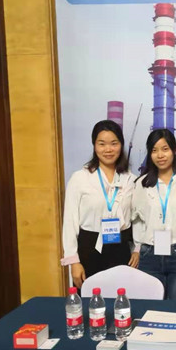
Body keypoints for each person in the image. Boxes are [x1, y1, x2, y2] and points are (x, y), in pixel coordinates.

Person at [61, 120, 137, 288]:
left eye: (114, 143)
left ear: (121, 145)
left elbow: (137, 218)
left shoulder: (130, 179)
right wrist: (73, 261)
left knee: (121, 299)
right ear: (94, 146)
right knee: (90, 299)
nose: (108, 149)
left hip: (121, 248)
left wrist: (137, 249)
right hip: (89, 248)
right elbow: (70, 222)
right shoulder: (80, 178)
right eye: (102, 144)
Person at [131, 129, 176, 300]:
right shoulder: (142, 183)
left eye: (165, 149)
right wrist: (137, 249)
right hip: (149, 255)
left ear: (174, 150)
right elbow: (138, 221)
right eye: (154, 150)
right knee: (151, 307)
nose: (160, 155)